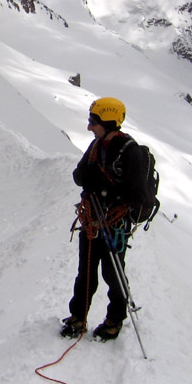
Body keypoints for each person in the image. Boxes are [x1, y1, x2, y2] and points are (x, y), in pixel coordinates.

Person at [61, 97, 142, 341]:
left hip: (115, 224)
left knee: (112, 273)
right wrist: (90, 178)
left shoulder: (130, 151)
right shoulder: (96, 147)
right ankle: (78, 316)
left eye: (93, 122)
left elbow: (135, 192)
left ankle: (114, 320)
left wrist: (104, 188)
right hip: (92, 220)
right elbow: (78, 175)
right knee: (85, 271)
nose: (89, 127)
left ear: (108, 121)